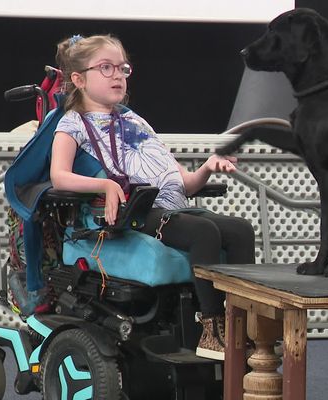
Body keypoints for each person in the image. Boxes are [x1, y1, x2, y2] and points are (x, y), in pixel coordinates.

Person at [50, 34, 255, 361]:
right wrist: (103, 185)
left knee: (240, 228)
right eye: (106, 67)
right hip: (134, 212)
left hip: (171, 205)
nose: (117, 75)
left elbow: (182, 184)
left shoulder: (134, 121)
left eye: (122, 68)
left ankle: (244, 325)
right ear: (79, 79)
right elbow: (58, 176)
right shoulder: (72, 123)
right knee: (204, 233)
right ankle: (212, 328)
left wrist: (206, 168)